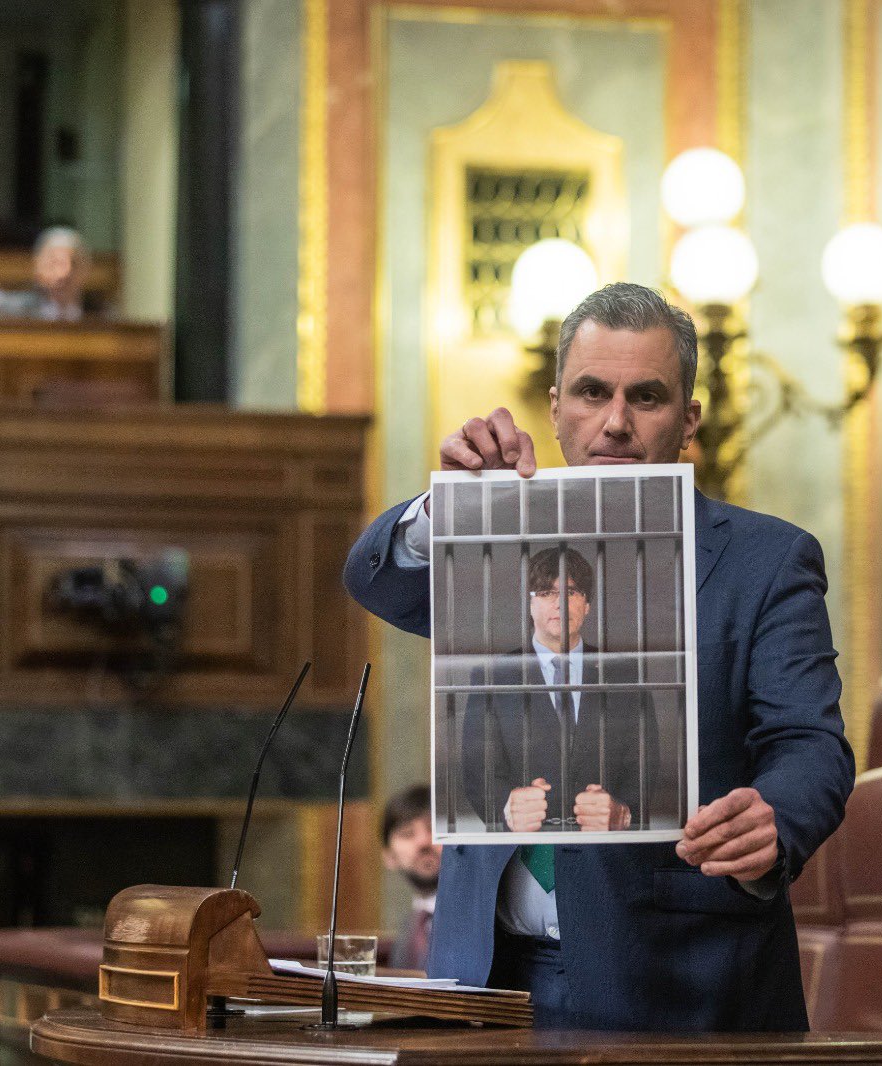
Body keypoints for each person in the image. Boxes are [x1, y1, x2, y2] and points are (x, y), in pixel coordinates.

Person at [344, 281, 853, 1031]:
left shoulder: (766, 561)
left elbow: (810, 744)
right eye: (592, 393)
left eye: (646, 397)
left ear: (689, 419)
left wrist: (776, 815)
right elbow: (376, 580)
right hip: (484, 976)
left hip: (678, 981)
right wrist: (444, 509)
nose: (615, 422)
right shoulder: (496, 533)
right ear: (555, 409)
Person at [459, 547, 653, 836]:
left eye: (571, 592)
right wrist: (507, 810)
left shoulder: (624, 673)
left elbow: (647, 766)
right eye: (546, 593)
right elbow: (477, 772)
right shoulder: (493, 675)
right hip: (526, 847)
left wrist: (623, 813)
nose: (560, 603)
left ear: (587, 604)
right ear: (530, 605)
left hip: (606, 846)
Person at [380, 785, 440, 972]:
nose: (423, 841)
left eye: (434, 829)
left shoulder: (485, 921)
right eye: (407, 833)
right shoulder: (409, 928)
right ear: (389, 857)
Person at [0, 226, 92, 320]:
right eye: (54, 263)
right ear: (38, 267)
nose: (64, 273)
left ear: (85, 270)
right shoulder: (17, 309)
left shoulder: (96, 313)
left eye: (73, 263)